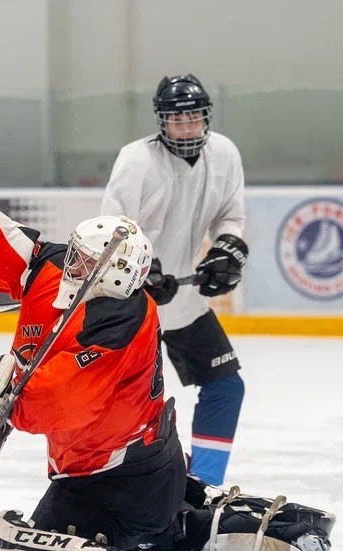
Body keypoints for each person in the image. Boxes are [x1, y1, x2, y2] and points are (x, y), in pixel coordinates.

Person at [0, 187, 336, 551]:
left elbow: (62, 402)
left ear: (120, 282)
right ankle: (238, 529)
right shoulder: (57, 268)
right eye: (78, 256)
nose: (77, 268)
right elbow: (21, 254)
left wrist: (1, 410)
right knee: (158, 525)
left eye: (90, 266)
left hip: (116, 481)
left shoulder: (118, 321)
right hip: (148, 468)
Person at [101, 73, 248, 487]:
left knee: (226, 387)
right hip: (130, 305)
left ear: (206, 117)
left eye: (193, 118)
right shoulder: (136, 160)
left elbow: (231, 216)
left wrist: (227, 250)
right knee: (133, 404)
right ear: (161, 122)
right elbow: (112, 230)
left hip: (182, 304)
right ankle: (130, 488)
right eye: (176, 120)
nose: (186, 128)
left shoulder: (225, 154)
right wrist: (143, 269)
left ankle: (202, 484)